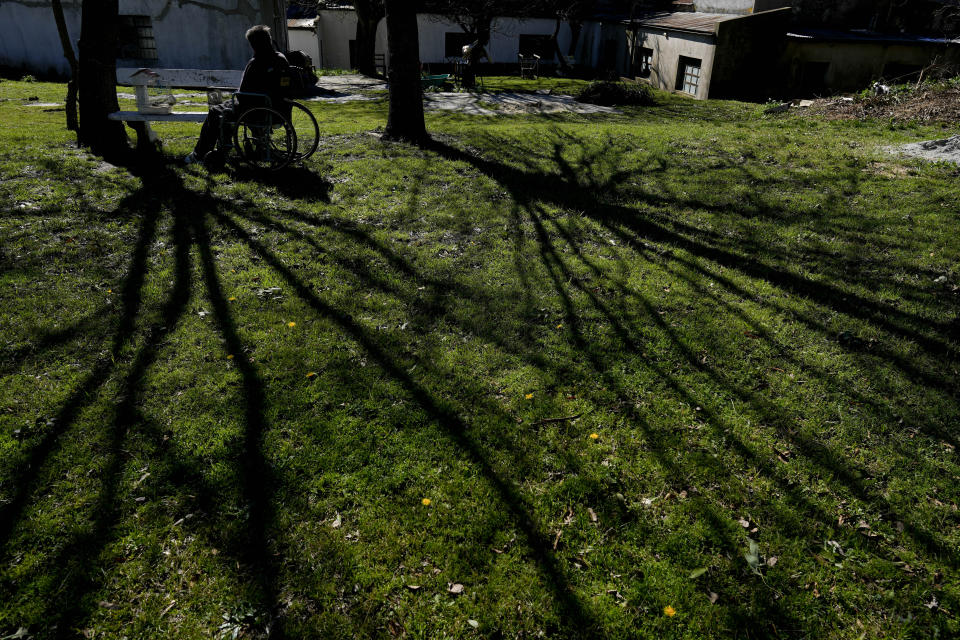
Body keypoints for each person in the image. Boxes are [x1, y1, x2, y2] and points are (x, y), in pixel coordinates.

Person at [185, 25, 290, 164]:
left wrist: (236, 96)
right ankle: (230, 144)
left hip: (254, 110)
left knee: (215, 111)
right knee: (227, 107)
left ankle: (199, 153)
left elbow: (243, 94)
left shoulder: (256, 63)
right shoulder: (281, 59)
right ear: (269, 40)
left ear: (253, 45)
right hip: (278, 109)